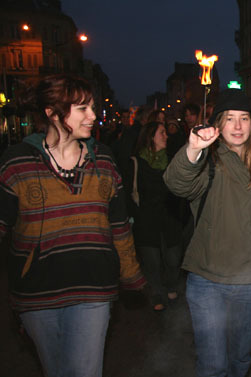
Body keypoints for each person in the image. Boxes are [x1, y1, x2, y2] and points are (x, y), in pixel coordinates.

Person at [0, 74, 145, 377]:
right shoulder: (17, 162)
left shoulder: (103, 160)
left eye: (92, 107)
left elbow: (119, 226)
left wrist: (132, 277)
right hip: (36, 293)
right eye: (82, 109)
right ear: (52, 113)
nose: (93, 116)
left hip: (93, 288)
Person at [163, 89, 251, 377]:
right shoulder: (207, 163)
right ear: (218, 125)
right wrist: (193, 149)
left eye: (244, 119)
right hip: (207, 281)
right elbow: (177, 183)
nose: (238, 126)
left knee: (240, 359)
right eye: (230, 119)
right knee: (213, 365)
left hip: (249, 282)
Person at [131, 121, 184, 311]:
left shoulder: (172, 159)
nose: (166, 136)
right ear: (151, 137)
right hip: (147, 218)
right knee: (152, 260)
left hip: (169, 215)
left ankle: (170, 285)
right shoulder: (137, 161)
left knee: (173, 257)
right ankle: (157, 293)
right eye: (162, 133)